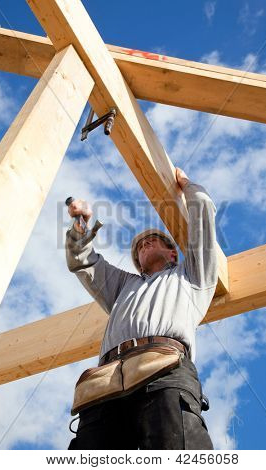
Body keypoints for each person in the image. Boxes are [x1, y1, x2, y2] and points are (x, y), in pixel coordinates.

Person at [66, 167, 218, 450]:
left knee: (175, 450)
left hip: (164, 368)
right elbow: (83, 262)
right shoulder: (124, 286)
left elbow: (203, 216)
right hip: (106, 382)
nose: (144, 244)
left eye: (153, 240)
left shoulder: (193, 274)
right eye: (139, 247)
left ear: (173, 252)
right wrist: (80, 226)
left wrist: (187, 186)